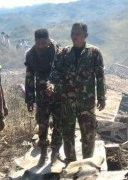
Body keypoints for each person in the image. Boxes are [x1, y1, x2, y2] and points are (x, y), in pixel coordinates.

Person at [47, 23, 106, 162]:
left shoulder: (94, 53)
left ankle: (87, 162)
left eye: (78, 33)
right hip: (67, 101)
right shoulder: (64, 53)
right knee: (67, 133)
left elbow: (100, 76)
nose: (74, 36)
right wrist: (51, 84)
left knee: (88, 133)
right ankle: (71, 161)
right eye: (73, 33)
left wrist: (102, 97)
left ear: (86, 35)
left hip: (87, 102)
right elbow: (55, 72)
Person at [25, 29, 62, 166]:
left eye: (44, 43)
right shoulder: (31, 55)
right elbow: (29, 78)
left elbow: (62, 71)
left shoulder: (57, 51)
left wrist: (54, 85)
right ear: (35, 42)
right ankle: (43, 152)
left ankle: (55, 152)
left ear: (48, 40)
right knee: (42, 124)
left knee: (58, 123)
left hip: (57, 93)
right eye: (38, 43)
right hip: (41, 96)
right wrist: (29, 99)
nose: (41, 46)